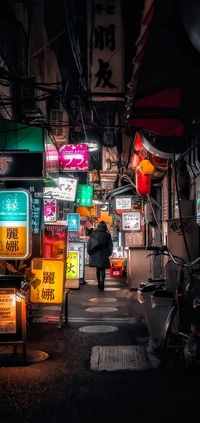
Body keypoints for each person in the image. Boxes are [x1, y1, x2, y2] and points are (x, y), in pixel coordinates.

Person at [87, 221, 113, 291]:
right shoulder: (107, 235)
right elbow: (110, 245)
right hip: (104, 254)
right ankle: (103, 283)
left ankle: (99, 283)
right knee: (103, 269)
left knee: (98, 269)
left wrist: (89, 252)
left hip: (96, 253)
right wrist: (109, 253)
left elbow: (89, 244)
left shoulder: (94, 234)